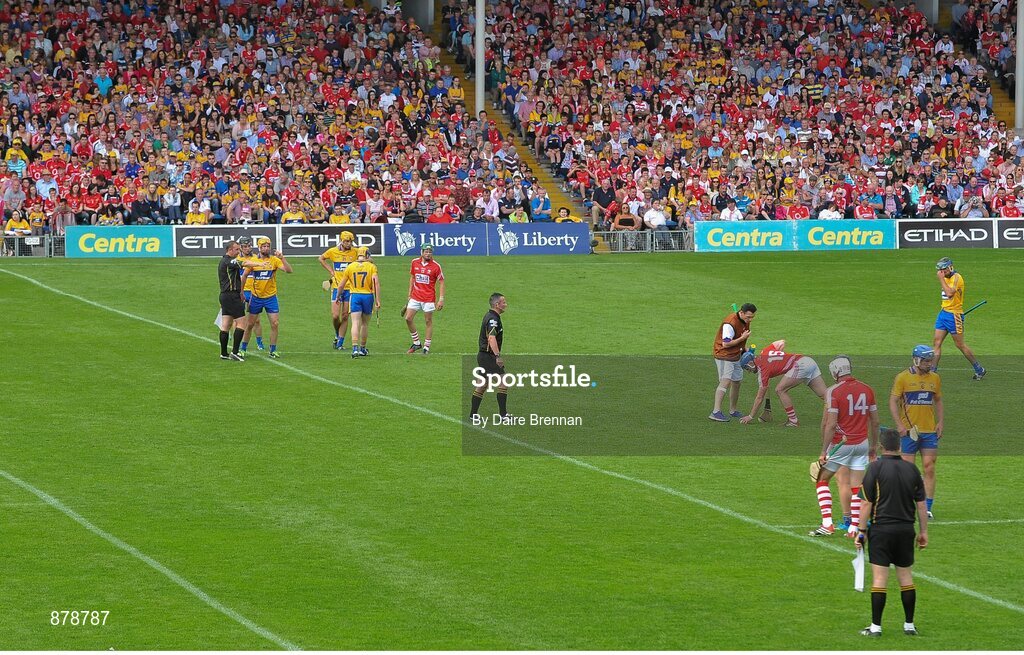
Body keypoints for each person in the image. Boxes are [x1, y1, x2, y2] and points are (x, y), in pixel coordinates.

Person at [856, 427, 928, 637]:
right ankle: (909, 625)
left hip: (881, 530)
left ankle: (876, 627)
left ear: (880, 446)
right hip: (906, 530)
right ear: (899, 446)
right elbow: (922, 505)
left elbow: (866, 504)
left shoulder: (875, 468)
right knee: (905, 577)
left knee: (880, 579)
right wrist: (923, 532)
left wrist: (861, 531)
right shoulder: (912, 470)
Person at [810, 355, 879, 538]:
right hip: (862, 443)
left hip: (842, 444)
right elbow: (876, 422)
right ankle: (854, 528)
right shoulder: (867, 389)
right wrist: (873, 446)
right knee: (857, 486)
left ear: (835, 372)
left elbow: (831, 424)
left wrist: (824, 451)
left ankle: (827, 524)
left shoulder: (833, 391)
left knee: (821, 479)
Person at [889, 345, 943, 519]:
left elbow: (938, 400)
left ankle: (927, 507)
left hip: (929, 432)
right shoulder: (902, 378)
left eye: (930, 361)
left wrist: (940, 422)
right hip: (909, 433)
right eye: (926, 361)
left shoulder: (935, 378)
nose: (929, 364)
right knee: (907, 471)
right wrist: (899, 425)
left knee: (929, 467)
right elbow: (893, 401)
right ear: (917, 360)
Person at [738, 341, 828, 427]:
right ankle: (838, 415)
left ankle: (793, 421)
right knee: (826, 396)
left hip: (800, 365)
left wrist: (750, 416)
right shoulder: (765, 351)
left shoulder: (762, 371)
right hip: (808, 361)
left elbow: (759, 397)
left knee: (780, 390)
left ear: (750, 363)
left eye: (747, 368)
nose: (748, 371)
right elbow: (781, 342)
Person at [932, 258, 985, 379]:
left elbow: (950, 293)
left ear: (950, 267)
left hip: (954, 315)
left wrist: (941, 280)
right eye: (940, 270)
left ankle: (979, 369)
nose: (941, 272)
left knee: (960, 345)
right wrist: (943, 279)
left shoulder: (957, 277)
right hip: (943, 313)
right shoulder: (945, 277)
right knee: (937, 342)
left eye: (943, 269)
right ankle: (932, 372)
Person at [240, 237, 293, 358]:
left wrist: (282, 258)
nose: (266, 248)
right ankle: (243, 348)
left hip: (271, 297)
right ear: (259, 247)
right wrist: (242, 292)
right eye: (263, 246)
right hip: (256, 297)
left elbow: (289, 271)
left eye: (268, 246)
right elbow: (244, 276)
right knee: (250, 324)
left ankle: (272, 350)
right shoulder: (253, 261)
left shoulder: (274, 260)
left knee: (275, 324)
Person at [709, 303, 756, 421]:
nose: (750, 319)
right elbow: (726, 343)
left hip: (736, 354)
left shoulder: (745, 321)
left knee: (737, 381)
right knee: (725, 381)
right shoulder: (730, 324)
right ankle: (715, 411)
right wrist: (742, 338)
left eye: (752, 317)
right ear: (741, 313)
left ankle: (733, 410)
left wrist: (746, 352)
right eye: (748, 317)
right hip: (724, 355)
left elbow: (740, 339)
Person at [335, 247, 381, 358]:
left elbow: (341, 285)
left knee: (355, 322)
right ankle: (362, 348)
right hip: (368, 296)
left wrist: (337, 296)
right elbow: (376, 283)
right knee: (365, 324)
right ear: (367, 255)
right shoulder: (371, 267)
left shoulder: (350, 267)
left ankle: (354, 349)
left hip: (355, 296)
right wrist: (377, 300)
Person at [318, 230, 359, 350]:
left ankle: (340, 341)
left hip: (350, 289)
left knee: (345, 316)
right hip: (336, 287)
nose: (349, 243)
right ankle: (337, 334)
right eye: (346, 241)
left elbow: (369, 260)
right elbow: (321, 259)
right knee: (335, 316)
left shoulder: (355, 252)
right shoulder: (333, 251)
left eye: (350, 241)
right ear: (341, 240)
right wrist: (331, 271)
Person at [470, 293, 509, 420]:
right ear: (497, 305)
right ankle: (503, 415)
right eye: (503, 302)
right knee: (503, 381)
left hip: (483, 356)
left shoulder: (490, 316)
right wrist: (497, 356)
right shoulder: (493, 319)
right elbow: (491, 338)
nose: (505, 304)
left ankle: (473, 415)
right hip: (488, 356)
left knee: (482, 384)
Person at [405, 243, 446, 354]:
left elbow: (441, 281)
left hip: (428, 298)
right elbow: (412, 277)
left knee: (428, 321)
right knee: (408, 318)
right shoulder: (414, 262)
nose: (428, 254)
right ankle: (417, 343)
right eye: (426, 251)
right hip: (415, 297)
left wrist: (441, 299)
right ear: (422, 252)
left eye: (430, 252)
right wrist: (409, 294)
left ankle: (426, 347)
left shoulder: (436, 266)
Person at [216, 241, 247, 361]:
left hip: (224, 296)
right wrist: (261, 264)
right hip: (232, 296)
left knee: (226, 324)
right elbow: (246, 262)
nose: (238, 252)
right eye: (237, 250)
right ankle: (235, 352)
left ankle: (223, 353)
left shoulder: (223, 261)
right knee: (241, 323)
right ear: (230, 250)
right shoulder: (230, 261)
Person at [235, 237, 264, 353]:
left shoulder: (255, 258)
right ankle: (236, 341)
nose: (247, 248)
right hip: (241, 291)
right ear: (240, 248)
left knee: (256, 320)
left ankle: (259, 342)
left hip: (253, 291)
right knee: (238, 319)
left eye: (249, 246)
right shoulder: (236, 259)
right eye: (245, 247)